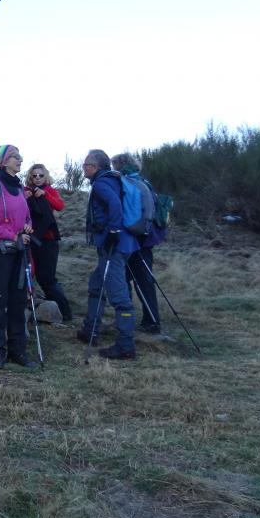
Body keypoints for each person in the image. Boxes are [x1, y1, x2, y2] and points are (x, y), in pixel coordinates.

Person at [0, 145, 36, 370]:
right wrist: (13, 235)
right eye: (14, 157)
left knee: (17, 302)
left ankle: (17, 351)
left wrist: (27, 228)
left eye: (19, 156)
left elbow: (28, 217)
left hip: (19, 253)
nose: (19, 160)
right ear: (3, 162)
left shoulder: (20, 188)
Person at [79, 149, 138, 360]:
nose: (83, 167)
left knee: (118, 295)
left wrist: (113, 231)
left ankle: (125, 345)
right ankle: (90, 330)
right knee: (96, 284)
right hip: (122, 245)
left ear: (95, 167)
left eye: (86, 164)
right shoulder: (113, 179)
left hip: (115, 246)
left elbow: (114, 204)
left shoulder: (102, 183)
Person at [112, 152, 164, 335]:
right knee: (142, 281)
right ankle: (148, 320)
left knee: (131, 280)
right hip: (145, 239)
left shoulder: (126, 182)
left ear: (119, 165)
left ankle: (143, 320)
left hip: (133, 239)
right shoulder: (143, 182)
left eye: (114, 165)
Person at [24, 163, 73, 321]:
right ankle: (40, 307)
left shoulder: (50, 191)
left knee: (47, 278)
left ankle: (65, 311)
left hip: (48, 240)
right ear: (30, 177)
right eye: (34, 175)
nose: (37, 178)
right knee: (32, 275)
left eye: (41, 175)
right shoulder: (25, 191)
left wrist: (45, 195)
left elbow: (60, 206)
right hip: (30, 239)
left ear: (46, 176)